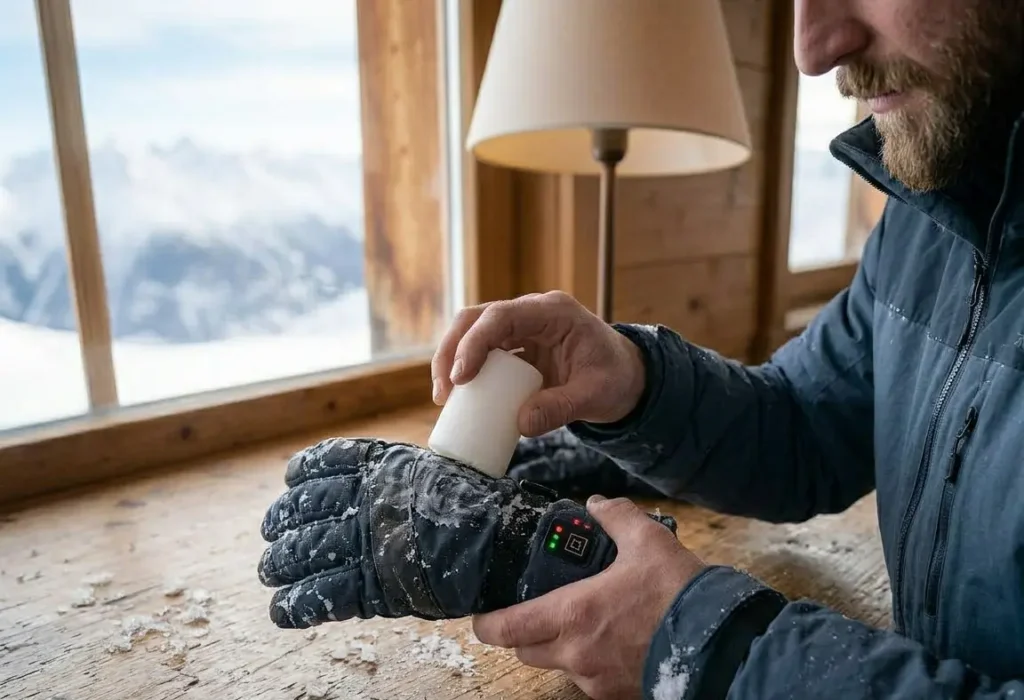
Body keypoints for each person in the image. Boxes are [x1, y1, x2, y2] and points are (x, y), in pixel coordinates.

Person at [256, 0, 1024, 697]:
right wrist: (633, 386)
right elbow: (807, 429)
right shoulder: (941, 217)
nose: (813, 48)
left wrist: (698, 649)